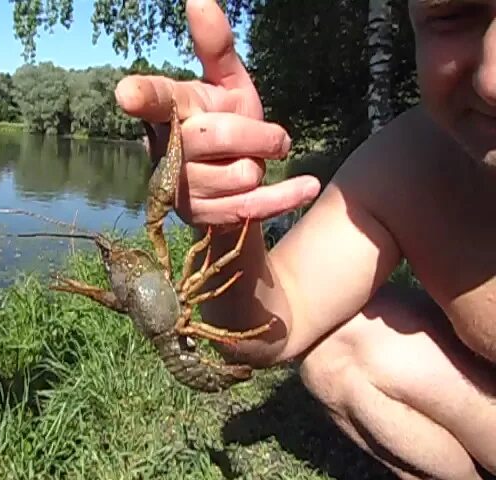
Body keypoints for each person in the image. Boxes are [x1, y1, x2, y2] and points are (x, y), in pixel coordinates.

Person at [114, 0, 496, 478]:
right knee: (339, 352)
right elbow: (278, 323)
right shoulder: (414, 162)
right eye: (453, 15)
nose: (491, 80)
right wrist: (227, 211)